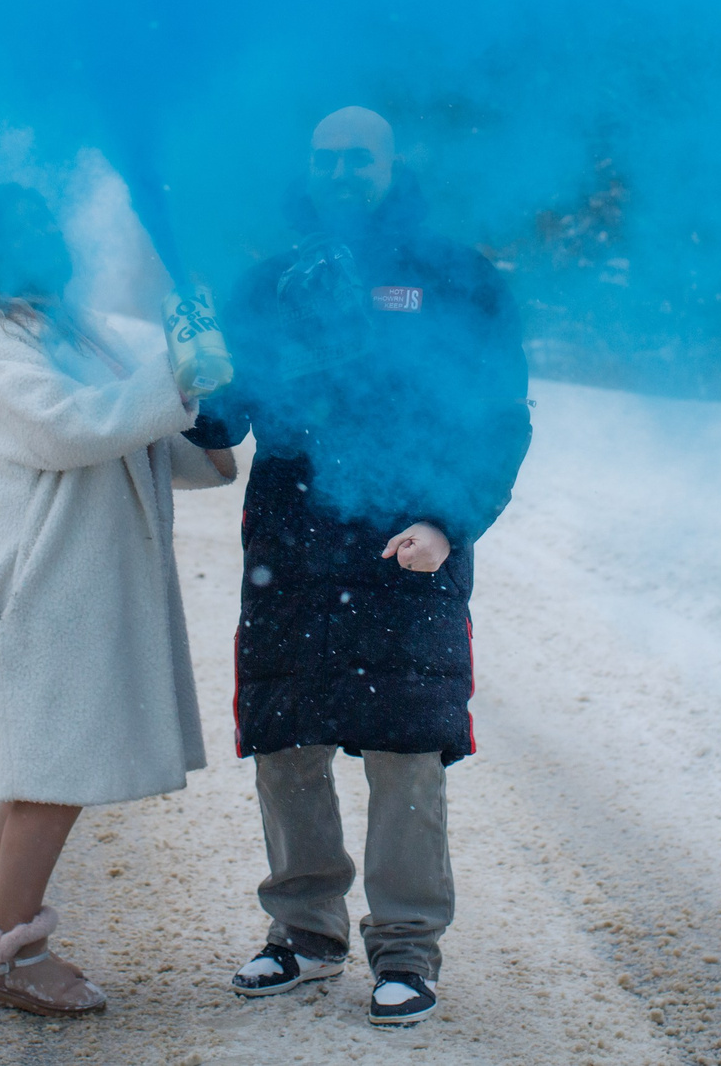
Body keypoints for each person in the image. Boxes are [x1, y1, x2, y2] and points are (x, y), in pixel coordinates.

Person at [187, 106, 532, 1027]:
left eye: (359, 158)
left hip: (404, 552)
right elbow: (227, 419)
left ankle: (408, 945)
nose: (342, 173)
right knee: (286, 742)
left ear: (390, 165)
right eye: (327, 159)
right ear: (309, 168)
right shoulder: (268, 284)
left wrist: (448, 523)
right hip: (291, 554)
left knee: (405, 748)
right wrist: (188, 377)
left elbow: (499, 418)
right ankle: (302, 932)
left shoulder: (456, 277)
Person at [0, 184, 236, 1015]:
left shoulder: (77, 330)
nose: (49, 244)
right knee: (48, 774)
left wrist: (207, 425)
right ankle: (12, 955)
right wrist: (172, 376)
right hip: (39, 591)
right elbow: (74, 427)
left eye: (52, 228)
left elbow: (141, 426)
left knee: (37, 773)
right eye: (30, 235)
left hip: (71, 592)